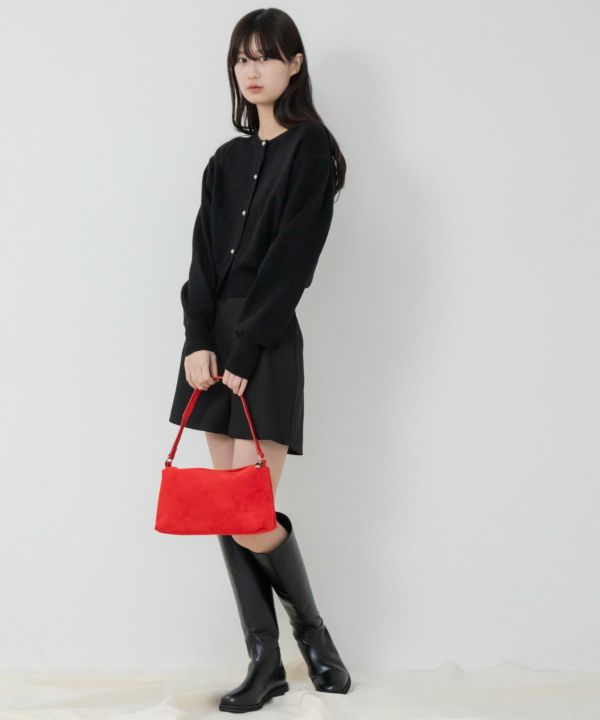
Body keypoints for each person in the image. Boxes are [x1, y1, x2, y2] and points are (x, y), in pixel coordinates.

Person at [168, 8, 350, 713]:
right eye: (242, 58)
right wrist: (197, 341)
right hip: (211, 345)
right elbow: (200, 262)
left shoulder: (312, 150)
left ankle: (313, 636)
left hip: (263, 342)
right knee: (227, 507)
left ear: (294, 64)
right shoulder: (225, 160)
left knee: (249, 511)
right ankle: (264, 660)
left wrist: (244, 347)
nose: (252, 70)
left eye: (266, 56)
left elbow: (292, 261)